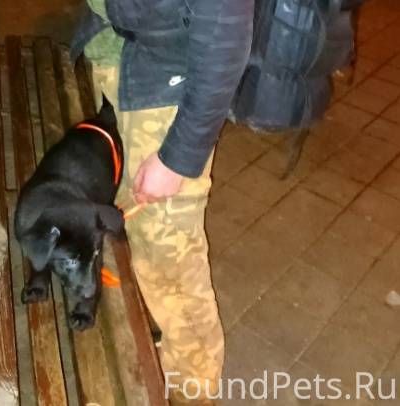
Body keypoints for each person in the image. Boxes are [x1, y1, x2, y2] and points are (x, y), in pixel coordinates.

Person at [71, 1, 254, 404]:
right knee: (142, 234)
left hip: (165, 88)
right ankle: (170, 348)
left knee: (169, 258)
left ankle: (193, 385)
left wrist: (178, 158)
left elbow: (225, 39)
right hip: (126, 61)